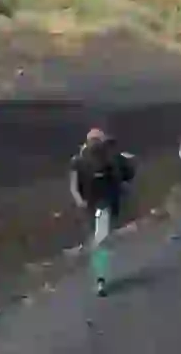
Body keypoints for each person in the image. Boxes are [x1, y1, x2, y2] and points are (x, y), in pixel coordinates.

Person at [69, 127, 135, 297]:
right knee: (98, 240)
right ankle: (100, 276)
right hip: (91, 207)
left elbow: (126, 176)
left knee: (100, 240)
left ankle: (100, 279)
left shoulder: (109, 158)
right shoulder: (81, 160)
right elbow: (74, 185)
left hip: (102, 205)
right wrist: (79, 200)